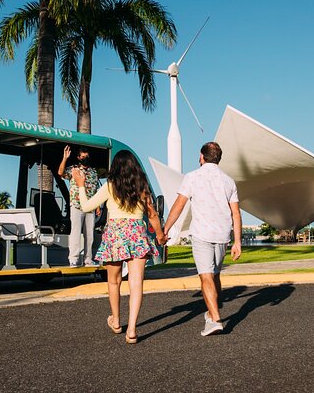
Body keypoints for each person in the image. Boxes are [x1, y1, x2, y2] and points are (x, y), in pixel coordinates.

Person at [73, 150, 167, 344]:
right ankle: (131, 330)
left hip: (115, 234)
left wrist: (81, 185)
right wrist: (160, 235)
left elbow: (87, 206)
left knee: (114, 281)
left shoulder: (110, 186)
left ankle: (116, 321)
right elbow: (152, 215)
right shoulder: (142, 187)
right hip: (137, 234)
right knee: (136, 283)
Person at [163, 141, 242, 336]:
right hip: (223, 235)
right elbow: (236, 213)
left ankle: (215, 320)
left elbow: (179, 205)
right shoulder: (228, 181)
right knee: (214, 275)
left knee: (206, 276)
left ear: (201, 156)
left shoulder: (192, 177)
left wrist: (166, 229)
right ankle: (211, 312)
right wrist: (237, 241)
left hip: (202, 234)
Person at [58, 145, 99, 267]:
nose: (85, 159)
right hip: (76, 205)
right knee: (75, 232)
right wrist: (65, 158)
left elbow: (95, 189)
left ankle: (88, 260)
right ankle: (73, 259)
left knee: (89, 235)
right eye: (82, 157)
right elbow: (60, 173)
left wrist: (97, 206)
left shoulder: (93, 171)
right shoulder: (73, 169)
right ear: (78, 157)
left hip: (91, 206)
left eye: (86, 157)